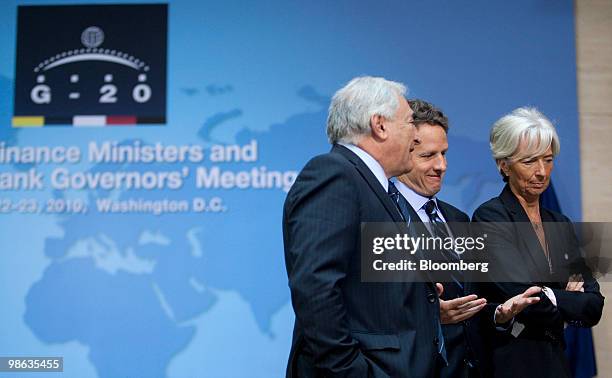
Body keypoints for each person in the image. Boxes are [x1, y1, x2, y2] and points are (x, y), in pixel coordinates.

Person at [283, 77, 443, 377]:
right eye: (410, 123)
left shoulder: (378, 188)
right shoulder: (335, 174)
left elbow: (364, 287)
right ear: (380, 125)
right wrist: (349, 371)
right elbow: (316, 285)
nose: (416, 138)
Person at [394, 100, 540, 378]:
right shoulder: (383, 219)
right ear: (401, 152)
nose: (442, 166)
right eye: (428, 155)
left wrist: (500, 314)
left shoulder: (459, 219)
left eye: (444, 153)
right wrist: (428, 316)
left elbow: (477, 301)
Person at [472, 107, 605, 378]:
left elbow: (593, 304)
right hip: (513, 362)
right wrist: (565, 298)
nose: (542, 172)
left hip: (556, 361)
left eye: (548, 159)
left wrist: (549, 295)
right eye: (530, 161)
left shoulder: (559, 223)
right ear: (504, 164)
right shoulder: (490, 218)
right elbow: (525, 298)